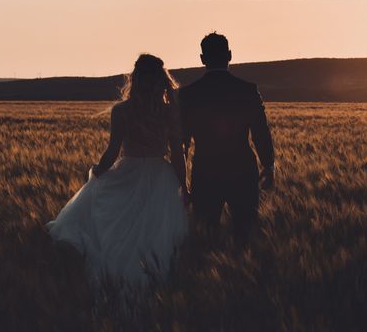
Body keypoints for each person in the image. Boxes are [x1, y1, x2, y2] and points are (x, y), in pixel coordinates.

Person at [46, 54, 188, 287]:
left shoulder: (122, 110)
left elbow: (113, 151)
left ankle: (115, 277)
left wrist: (98, 172)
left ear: (136, 77)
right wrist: (184, 185)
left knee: (120, 229)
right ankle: (153, 281)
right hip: (161, 177)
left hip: (127, 171)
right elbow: (177, 153)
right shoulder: (169, 111)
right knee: (153, 232)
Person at [179, 32, 274, 244]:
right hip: (242, 169)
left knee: (205, 232)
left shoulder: (188, 94)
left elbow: (181, 142)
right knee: (246, 231)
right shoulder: (247, 90)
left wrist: (180, 180)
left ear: (202, 59)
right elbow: (261, 132)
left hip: (204, 171)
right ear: (230, 55)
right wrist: (269, 166)